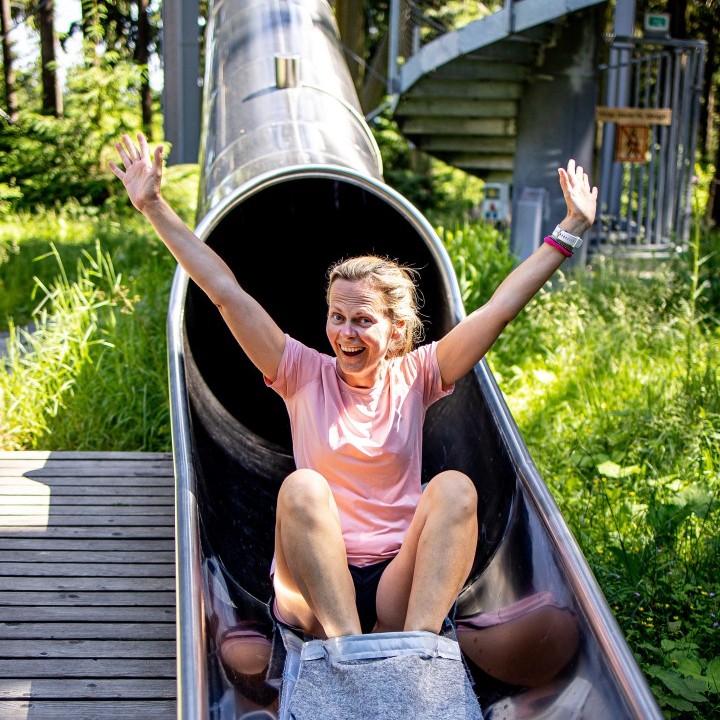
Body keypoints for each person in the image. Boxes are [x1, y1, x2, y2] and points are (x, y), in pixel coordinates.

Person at [110, 132, 597, 641]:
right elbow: (225, 293)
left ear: (395, 330)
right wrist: (153, 207)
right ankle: (345, 653)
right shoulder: (301, 372)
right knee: (302, 487)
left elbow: (498, 310)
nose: (345, 332)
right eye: (336, 316)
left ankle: (419, 650)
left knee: (455, 488)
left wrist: (569, 230)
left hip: (395, 579)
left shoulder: (418, 374)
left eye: (362, 319)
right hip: (317, 587)